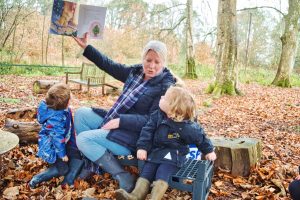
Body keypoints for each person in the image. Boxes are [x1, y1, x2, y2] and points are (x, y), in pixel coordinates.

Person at [73, 34, 176, 192]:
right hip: (117, 121)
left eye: (157, 62)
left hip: (134, 137)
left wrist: (121, 121)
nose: (151, 66)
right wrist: (86, 47)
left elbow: (152, 120)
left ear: (163, 63)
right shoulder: (135, 73)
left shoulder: (165, 86)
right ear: (143, 59)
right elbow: (109, 65)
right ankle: (91, 161)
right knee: (81, 114)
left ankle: (123, 176)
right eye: (148, 60)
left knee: (83, 140)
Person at [115, 86, 217, 200]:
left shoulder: (188, 127)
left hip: (174, 156)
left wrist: (209, 151)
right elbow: (147, 131)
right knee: (146, 172)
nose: (161, 97)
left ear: (173, 107)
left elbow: (200, 137)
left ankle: (155, 198)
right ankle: (135, 196)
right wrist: (142, 147)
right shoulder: (157, 115)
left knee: (162, 173)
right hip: (156, 152)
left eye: (165, 98)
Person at [29, 83, 83, 188]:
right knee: (62, 169)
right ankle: (37, 179)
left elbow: (68, 128)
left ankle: (67, 181)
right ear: (65, 103)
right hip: (53, 147)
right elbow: (57, 138)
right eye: (69, 97)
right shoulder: (57, 119)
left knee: (77, 158)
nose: (71, 97)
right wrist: (62, 155)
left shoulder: (61, 109)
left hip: (64, 141)